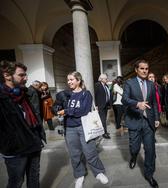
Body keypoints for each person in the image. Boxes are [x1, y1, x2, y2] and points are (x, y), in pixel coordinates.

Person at [57, 71, 108, 187]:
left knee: (90, 152)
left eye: (72, 79)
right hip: (69, 128)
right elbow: (57, 106)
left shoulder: (86, 94)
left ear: (78, 80)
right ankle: (79, 175)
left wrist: (66, 111)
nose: (69, 82)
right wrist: (56, 109)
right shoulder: (64, 94)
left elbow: (83, 111)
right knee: (74, 154)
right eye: (68, 80)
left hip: (84, 127)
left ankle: (99, 172)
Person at [0, 60, 46, 188]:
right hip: (16, 150)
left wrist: (38, 136)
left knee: (34, 179)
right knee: (16, 182)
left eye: (25, 75)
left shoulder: (24, 93)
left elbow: (35, 116)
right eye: (21, 75)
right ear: (7, 75)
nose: (26, 78)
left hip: (34, 144)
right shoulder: (2, 97)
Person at [122, 59, 160, 188]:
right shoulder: (129, 83)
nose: (144, 71)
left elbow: (154, 102)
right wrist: (137, 104)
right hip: (134, 120)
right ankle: (133, 156)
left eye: (146, 69)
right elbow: (124, 99)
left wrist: (156, 118)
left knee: (150, 149)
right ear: (136, 70)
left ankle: (149, 175)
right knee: (135, 148)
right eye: (142, 68)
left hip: (148, 121)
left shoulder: (151, 84)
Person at [95, 73, 111, 139]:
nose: (107, 79)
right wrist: (96, 105)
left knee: (104, 119)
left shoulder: (106, 85)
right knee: (103, 120)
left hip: (106, 105)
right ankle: (104, 133)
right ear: (101, 79)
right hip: (100, 105)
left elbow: (108, 94)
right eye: (106, 78)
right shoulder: (97, 85)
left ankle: (103, 132)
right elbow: (95, 95)